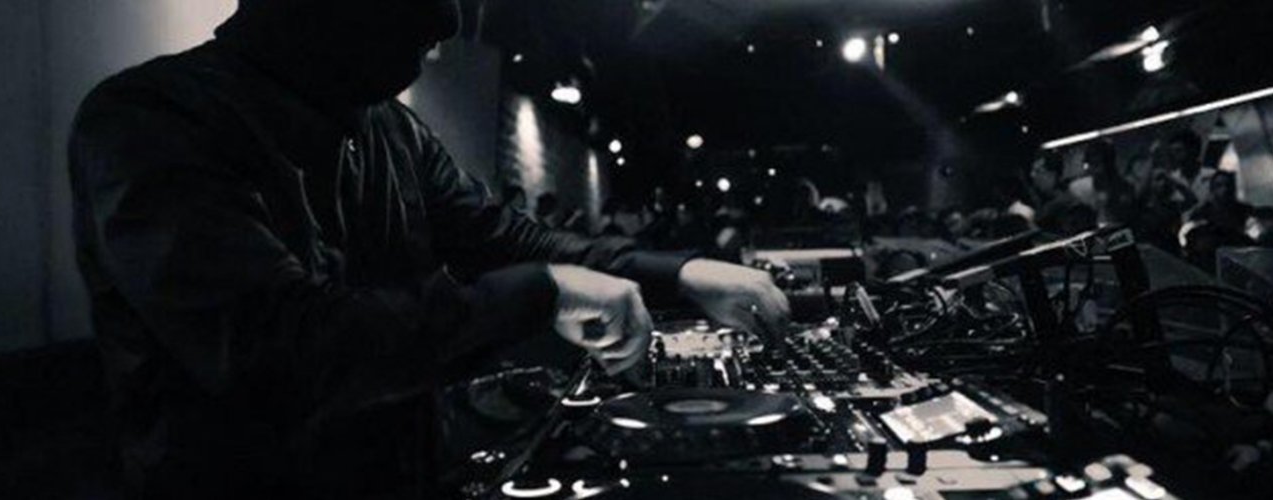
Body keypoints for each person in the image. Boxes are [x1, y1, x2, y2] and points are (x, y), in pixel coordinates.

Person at [66, 1, 789, 497]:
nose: (443, 28)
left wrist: (684, 273)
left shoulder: (392, 129)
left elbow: (506, 236)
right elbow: (276, 348)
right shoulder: (151, 117)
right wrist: (542, 291)